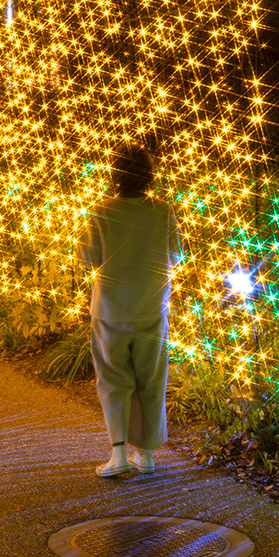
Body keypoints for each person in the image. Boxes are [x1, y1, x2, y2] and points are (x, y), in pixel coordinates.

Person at [77, 143, 183, 477]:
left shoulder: (101, 211)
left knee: (113, 382)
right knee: (152, 381)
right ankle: (147, 455)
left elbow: (86, 258)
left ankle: (118, 454)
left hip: (110, 311)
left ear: (115, 174)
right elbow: (176, 255)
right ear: (148, 175)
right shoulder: (163, 211)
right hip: (152, 308)